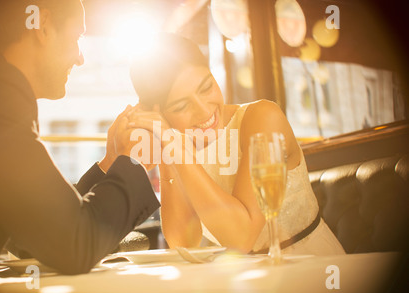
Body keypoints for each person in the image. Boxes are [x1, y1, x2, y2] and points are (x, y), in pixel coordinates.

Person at [0, 0, 160, 293]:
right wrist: (135, 158)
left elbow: (33, 235)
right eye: (77, 37)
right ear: (42, 26)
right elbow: (73, 245)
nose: (80, 58)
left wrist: (110, 163)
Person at [128, 33, 345, 256]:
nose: (204, 110)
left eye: (206, 87)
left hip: (310, 265)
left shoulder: (263, 118)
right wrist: (168, 147)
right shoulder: (177, 143)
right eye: (182, 106)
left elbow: (242, 238)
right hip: (250, 280)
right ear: (161, 114)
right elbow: (183, 242)